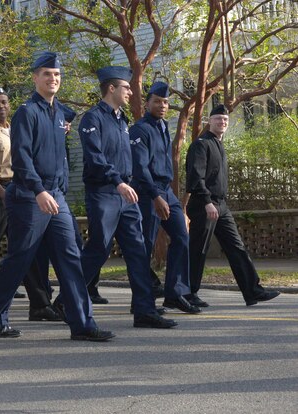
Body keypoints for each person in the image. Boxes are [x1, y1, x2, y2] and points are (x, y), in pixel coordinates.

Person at [0, 52, 114, 342]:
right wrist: (38, 190)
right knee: (19, 259)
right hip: (30, 196)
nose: (53, 79)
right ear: (35, 78)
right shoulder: (27, 112)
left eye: (57, 75)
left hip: (57, 197)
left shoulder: (58, 113)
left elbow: (68, 118)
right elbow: (22, 158)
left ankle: (82, 324)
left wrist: (56, 188)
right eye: (47, 74)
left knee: (71, 259)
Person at [78, 66, 177, 329]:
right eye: (126, 87)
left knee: (137, 251)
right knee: (98, 248)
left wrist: (127, 183)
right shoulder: (92, 119)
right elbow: (96, 158)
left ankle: (145, 311)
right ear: (112, 88)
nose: (131, 91)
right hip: (104, 193)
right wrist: (118, 181)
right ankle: (69, 299)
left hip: (126, 195)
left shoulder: (122, 121)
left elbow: (128, 159)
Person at [0, 84, 60, 321]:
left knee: (25, 247)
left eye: (4, 102)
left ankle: (39, 303)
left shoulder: (14, 127)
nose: (1, 106)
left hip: (20, 189)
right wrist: (0, 192)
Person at [185, 104, 280, 306]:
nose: (222, 122)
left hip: (221, 205)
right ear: (209, 121)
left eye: (225, 120)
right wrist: (207, 202)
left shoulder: (219, 144)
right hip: (205, 205)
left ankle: (253, 291)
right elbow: (195, 177)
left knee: (236, 247)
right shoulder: (201, 144)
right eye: (218, 119)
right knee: (197, 250)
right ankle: (188, 293)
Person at [129, 82, 200, 314]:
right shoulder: (139, 129)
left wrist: (167, 195)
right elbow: (140, 168)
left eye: (166, 102)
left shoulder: (163, 126)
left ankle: (174, 294)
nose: (162, 105)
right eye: (158, 101)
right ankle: (142, 301)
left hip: (166, 191)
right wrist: (155, 197)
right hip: (147, 192)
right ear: (147, 103)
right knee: (145, 246)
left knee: (181, 236)